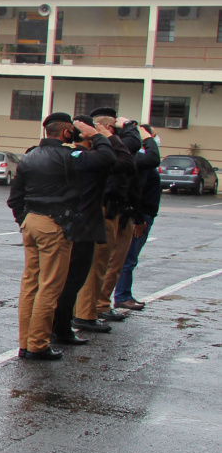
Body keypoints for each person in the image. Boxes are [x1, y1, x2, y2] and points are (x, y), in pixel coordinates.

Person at [6, 112, 106, 361]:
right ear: (66, 133)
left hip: (32, 221)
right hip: (55, 223)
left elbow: (15, 198)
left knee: (31, 284)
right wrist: (97, 135)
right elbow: (107, 159)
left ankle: (25, 342)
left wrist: (24, 220)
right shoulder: (69, 156)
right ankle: (38, 344)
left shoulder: (29, 157)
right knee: (50, 286)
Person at [50, 115, 125, 346]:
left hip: (58, 222)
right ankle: (59, 331)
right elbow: (122, 161)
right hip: (82, 225)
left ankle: (43, 334)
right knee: (72, 281)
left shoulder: (48, 154)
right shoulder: (88, 158)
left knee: (50, 282)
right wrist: (102, 136)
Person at [73, 108, 141, 332]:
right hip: (98, 212)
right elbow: (127, 160)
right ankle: (85, 314)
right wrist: (105, 136)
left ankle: (78, 313)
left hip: (79, 214)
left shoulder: (69, 154)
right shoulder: (96, 157)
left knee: (86, 266)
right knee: (96, 265)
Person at [113, 124, 161, 311]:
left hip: (142, 214)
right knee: (128, 257)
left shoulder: (137, 159)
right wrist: (139, 219)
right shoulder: (139, 160)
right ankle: (122, 295)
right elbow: (136, 192)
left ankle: (122, 294)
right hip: (138, 215)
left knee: (127, 257)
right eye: (151, 137)